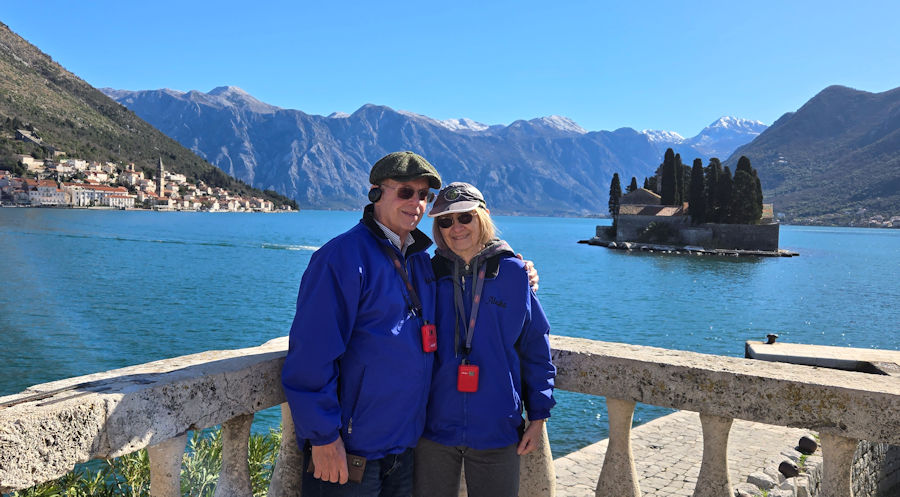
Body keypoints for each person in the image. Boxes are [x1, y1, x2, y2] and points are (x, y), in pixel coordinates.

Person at [281, 151, 442, 497]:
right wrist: (323, 437)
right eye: (405, 192)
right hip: (349, 453)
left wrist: (512, 265)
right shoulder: (340, 258)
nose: (416, 203)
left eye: (424, 195)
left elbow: (468, 273)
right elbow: (311, 356)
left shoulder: (419, 261)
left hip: (402, 449)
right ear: (375, 193)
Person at [413, 182, 556, 497]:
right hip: (434, 429)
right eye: (446, 221)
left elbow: (535, 347)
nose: (456, 227)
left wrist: (539, 416)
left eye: (465, 217)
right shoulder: (427, 274)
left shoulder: (514, 274)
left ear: (484, 216)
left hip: (498, 427)